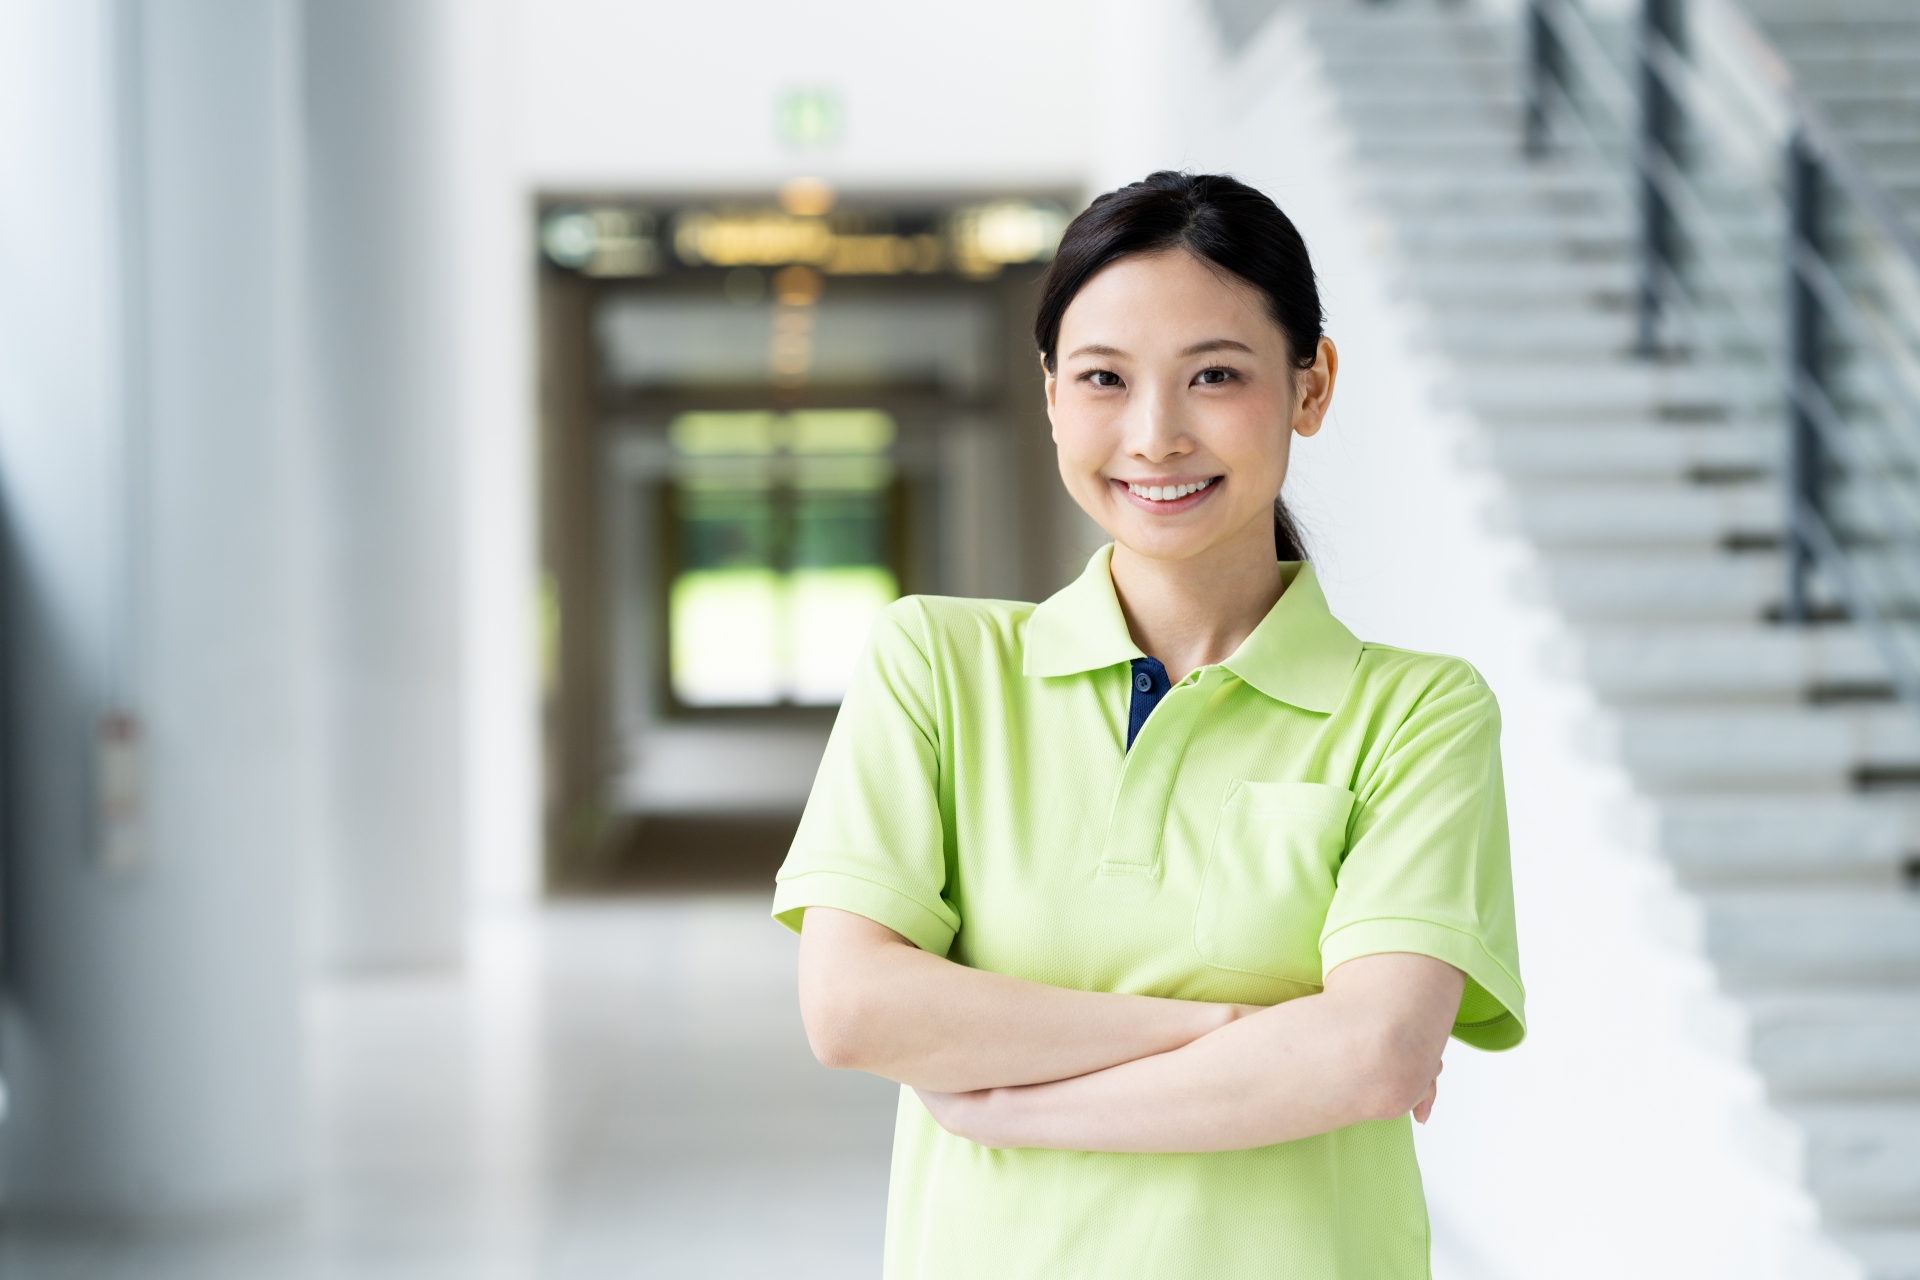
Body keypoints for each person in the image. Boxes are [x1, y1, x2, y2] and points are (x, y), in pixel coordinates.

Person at [771, 171, 1524, 1278]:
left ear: (1311, 385)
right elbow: (852, 1006)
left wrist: (1015, 1103)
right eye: (1103, 380)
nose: (1156, 434)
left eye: (1215, 374)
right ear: (1051, 397)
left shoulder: (1416, 713)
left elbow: (1372, 1053)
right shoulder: (935, 665)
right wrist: (1238, 1033)